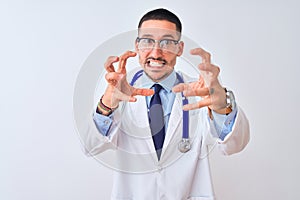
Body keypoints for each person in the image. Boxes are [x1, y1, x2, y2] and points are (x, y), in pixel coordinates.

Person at [82, 8, 250, 200]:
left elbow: (234, 145)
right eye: (147, 41)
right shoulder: (115, 92)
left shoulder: (201, 92)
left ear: (179, 48)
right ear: (137, 46)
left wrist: (222, 107)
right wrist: (107, 105)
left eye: (167, 42)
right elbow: (89, 147)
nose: (156, 52)